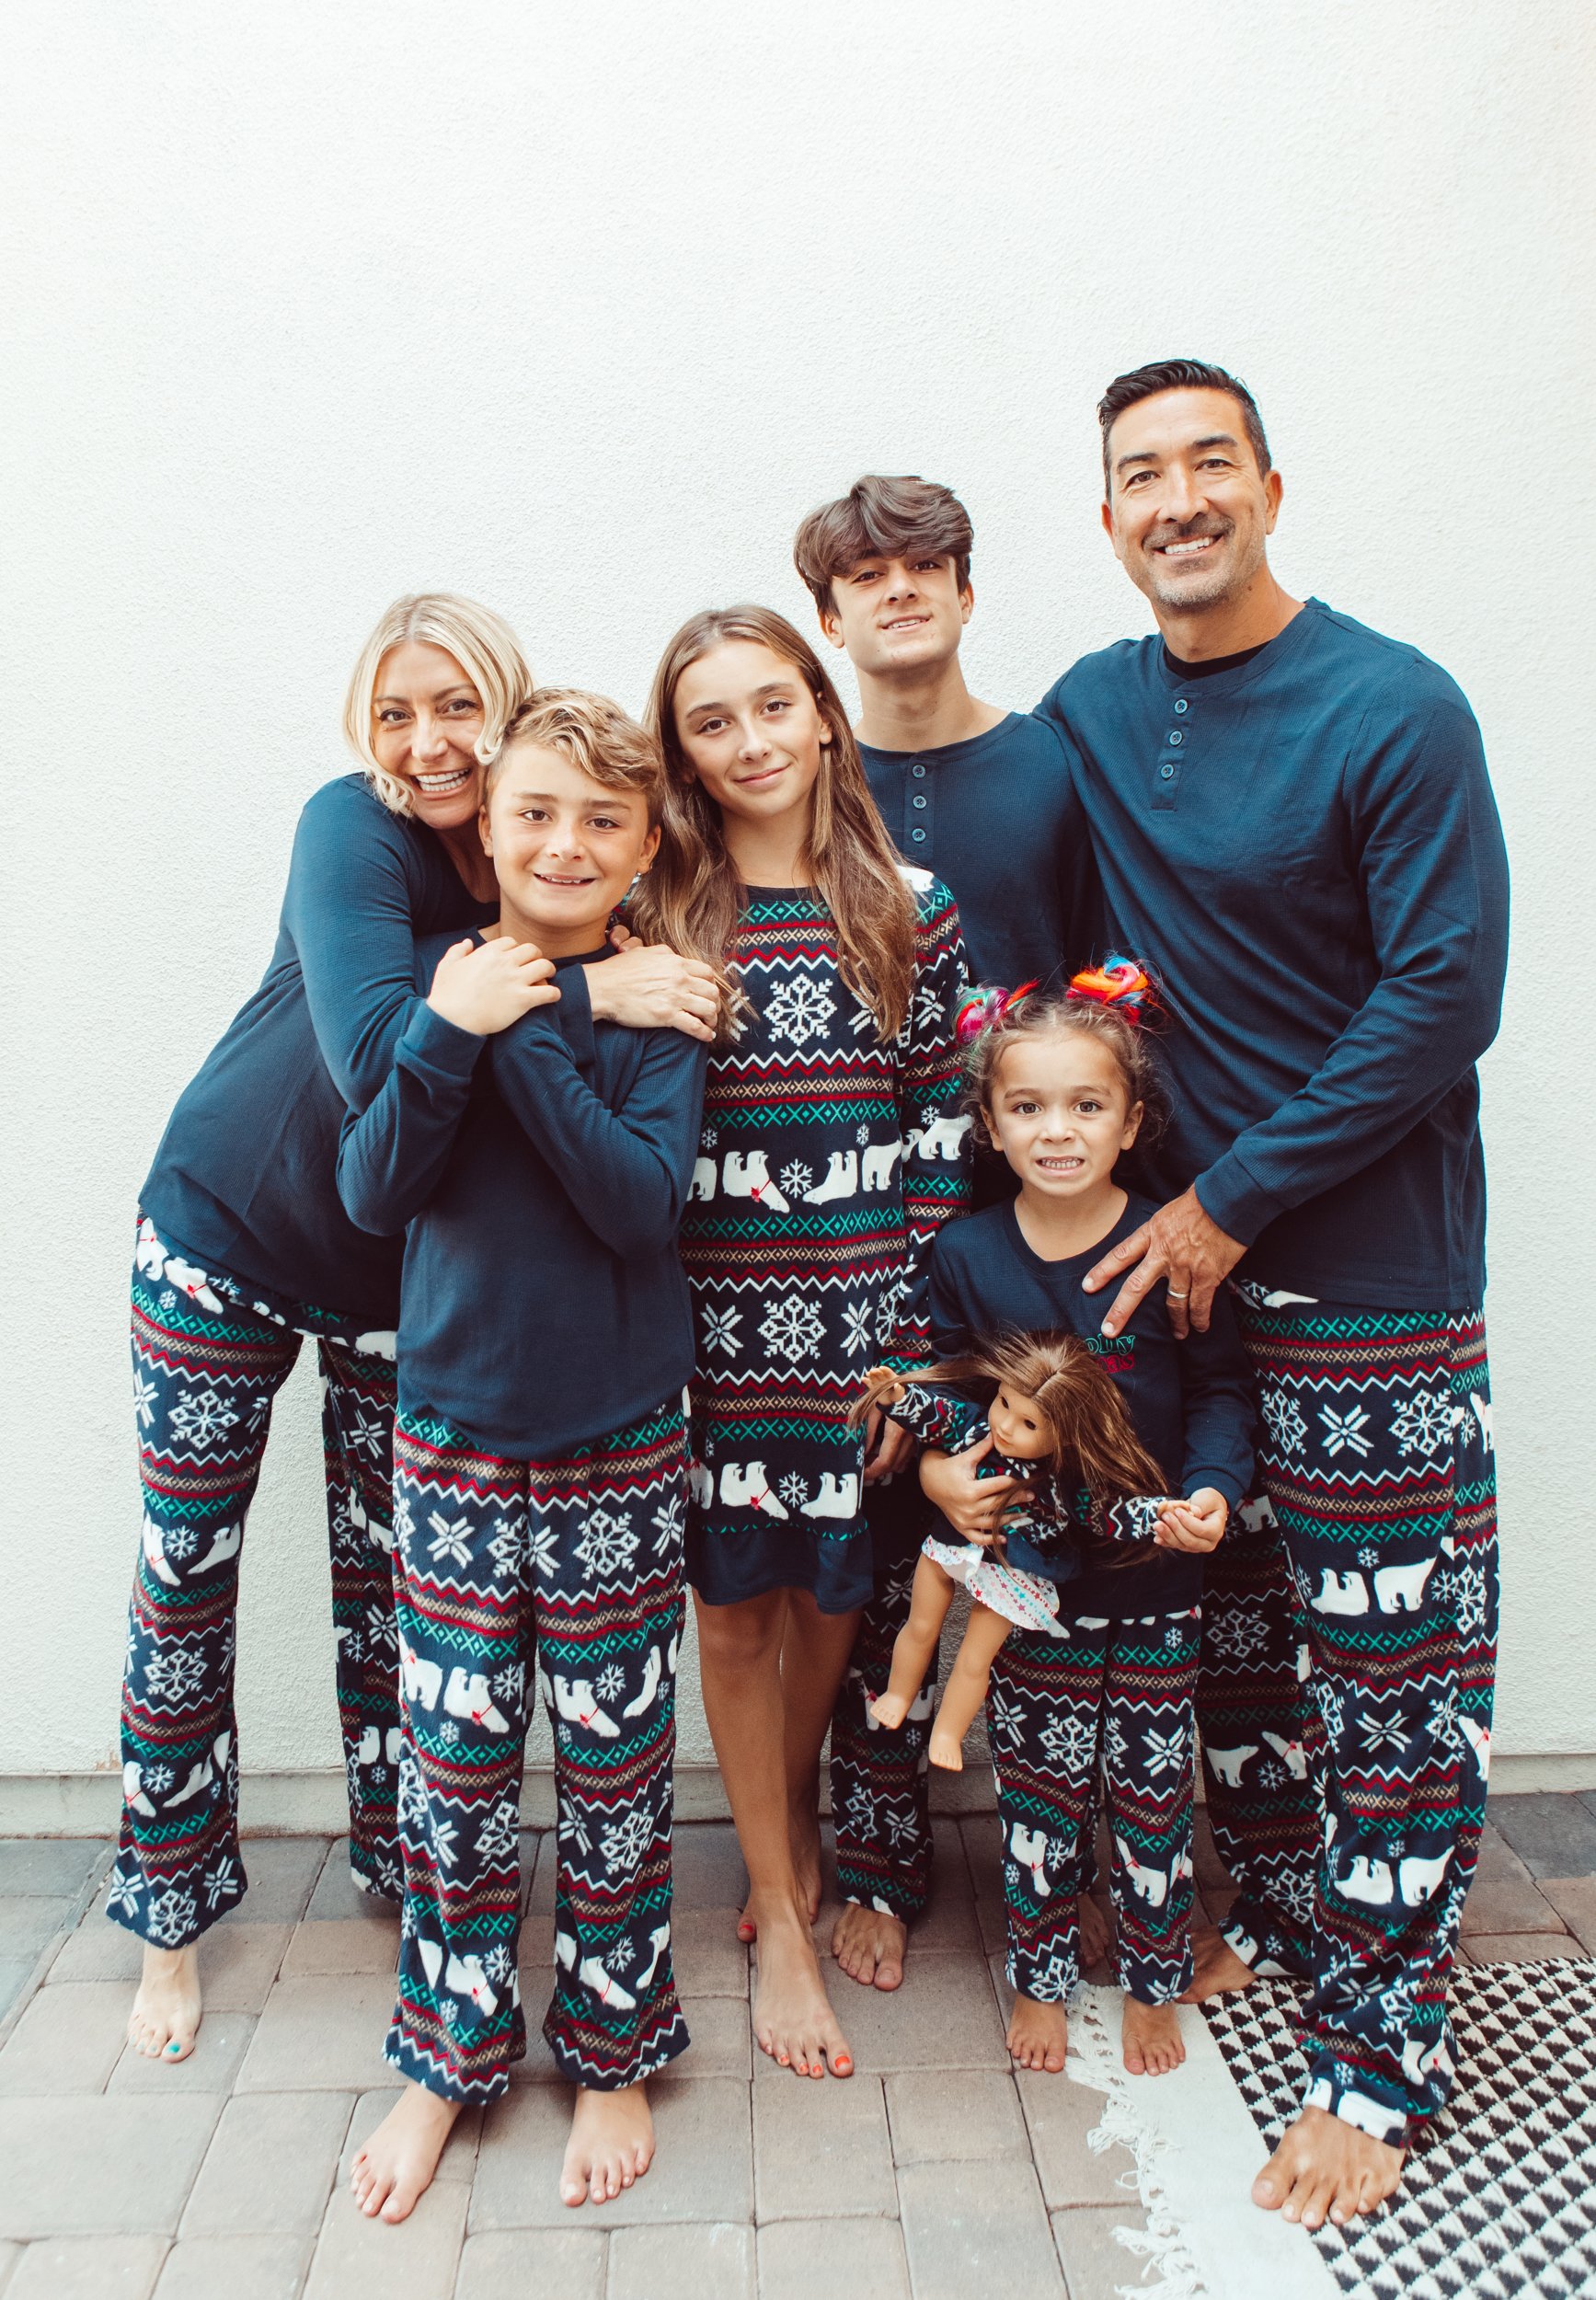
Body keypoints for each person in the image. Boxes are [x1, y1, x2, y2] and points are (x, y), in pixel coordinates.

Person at [113, 594, 718, 2068]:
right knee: (186, 1568)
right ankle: (168, 1914)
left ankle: (410, 1884)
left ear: (505, 712)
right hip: (231, 1234)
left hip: (402, 1285)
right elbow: (383, 1045)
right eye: (394, 712)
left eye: (455, 707)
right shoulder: (353, 830)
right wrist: (594, 985)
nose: (425, 741)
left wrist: (591, 973)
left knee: (392, 1598)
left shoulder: (538, 846)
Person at [1038, 359, 1509, 2225]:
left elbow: (1441, 997)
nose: (1176, 498)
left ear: (1268, 485)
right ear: (1106, 518)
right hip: (1178, 1286)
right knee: (1236, 1661)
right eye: (1139, 474)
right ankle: (1310, 1954)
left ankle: (1380, 2072)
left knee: (1389, 1678)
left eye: (1207, 462)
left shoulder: (1391, 704)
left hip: (1367, 1280)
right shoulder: (1092, 705)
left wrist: (1231, 1196)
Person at [335, 690, 708, 2220]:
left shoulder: (658, 1002)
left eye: (601, 822)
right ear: (484, 826)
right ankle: (446, 2052)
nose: (565, 843)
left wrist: (536, 1021)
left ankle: (613, 2051)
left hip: (619, 1440)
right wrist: (452, 1026)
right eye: (536, 813)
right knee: (459, 1768)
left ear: (640, 850)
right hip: (454, 1444)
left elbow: (635, 1203)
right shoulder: (444, 990)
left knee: (618, 1768)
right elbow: (373, 1189)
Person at [627, 604, 970, 2081]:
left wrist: (911, 1348)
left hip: (857, 1333)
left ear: (821, 713)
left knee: (829, 1605)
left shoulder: (907, 906)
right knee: (728, 1616)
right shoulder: (657, 917)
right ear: (683, 755)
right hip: (701, 1331)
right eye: (711, 721)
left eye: (771, 706)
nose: (749, 742)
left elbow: (943, 1144)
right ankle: (771, 1897)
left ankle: (805, 1823)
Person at [792, 474, 1101, 1993]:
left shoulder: (1052, 764)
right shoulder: (805, 775)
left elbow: (1110, 976)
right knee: (882, 1517)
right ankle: (875, 1858)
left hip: (1030, 1210)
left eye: (930, 567)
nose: (902, 591)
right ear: (830, 615)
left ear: (970, 594)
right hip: (855, 1214)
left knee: (1048, 1498)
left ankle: (1085, 1845)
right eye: (869, 575)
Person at [922, 966, 1250, 2076]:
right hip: (1033, 1592)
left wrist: (1209, 1483)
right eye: (1027, 1106)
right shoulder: (966, 1258)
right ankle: (1042, 1976)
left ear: (1131, 1119)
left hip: (1157, 1587)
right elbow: (951, 1400)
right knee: (1041, 1799)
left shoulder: (1168, 1243)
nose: (1056, 1130)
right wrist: (940, 1475)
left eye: (1086, 1104)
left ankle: (1160, 1978)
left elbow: (1215, 1386)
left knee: (1156, 1797)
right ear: (990, 1122)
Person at [857, 1328, 1169, 1765]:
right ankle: (898, 1692)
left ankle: (948, 1730)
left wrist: (1160, 1516)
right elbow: (936, 1416)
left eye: (1029, 1424)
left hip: (1012, 1566)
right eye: (1004, 1403)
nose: (1004, 1425)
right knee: (920, 1625)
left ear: (1064, 1435)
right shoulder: (973, 1425)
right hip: (951, 1544)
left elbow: (1111, 1510)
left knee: (975, 1657)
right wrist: (898, 1399)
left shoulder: (1061, 1480)